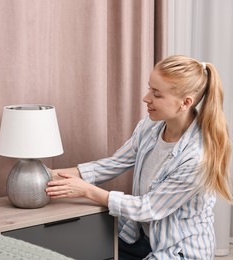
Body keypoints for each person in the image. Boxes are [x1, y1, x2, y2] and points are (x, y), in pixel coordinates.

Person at [46, 55, 232, 259]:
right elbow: (115, 163)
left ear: (185, 102)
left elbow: (148, 207)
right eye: (149, 88)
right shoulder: (150, 125)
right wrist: (54, 175)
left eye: (157, 94)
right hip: (142, 238)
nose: (146, 98)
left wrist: (87, 191)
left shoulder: (197, 157)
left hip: (179, 250)